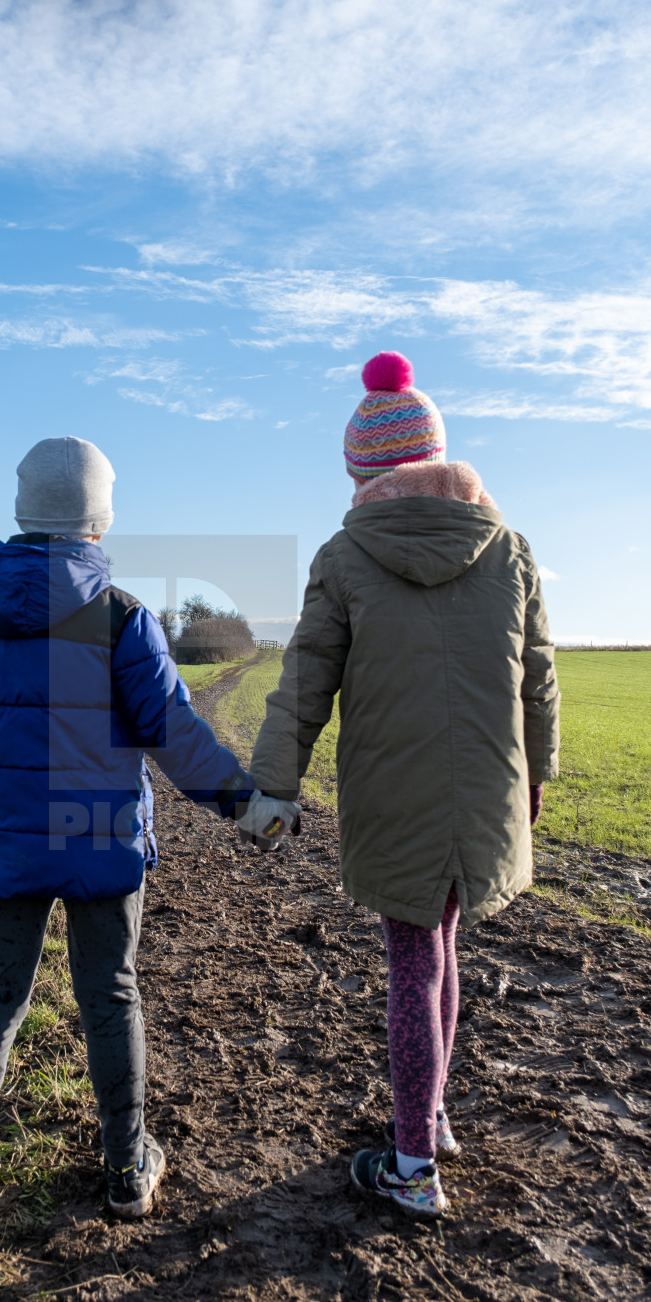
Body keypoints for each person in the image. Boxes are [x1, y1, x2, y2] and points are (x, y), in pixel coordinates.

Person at [0, 436, 298, 1231]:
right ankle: (127, 1172)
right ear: (98, 518)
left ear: (26, 509)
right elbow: (175, 732)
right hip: (97, 836)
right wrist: (245, 804)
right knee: (111, 996)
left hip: (2, 845)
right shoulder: (123, 615)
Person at [248, 353, 560, 1217]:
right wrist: (537, 777)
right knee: (443, 949)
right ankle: (435, 1115)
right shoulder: (512, 549)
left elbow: (305, 678)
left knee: (414, 962)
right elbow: (539, 679)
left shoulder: (345, 554)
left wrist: (273, 783)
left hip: (394, 793)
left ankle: (414, 1163)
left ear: (362, 470)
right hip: (487, 793)